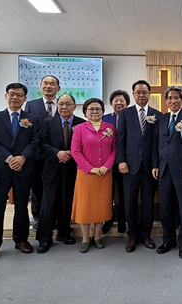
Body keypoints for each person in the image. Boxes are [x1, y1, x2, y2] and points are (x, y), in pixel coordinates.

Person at [0, 83, 39, 264]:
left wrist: (22, 158)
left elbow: (35, 141)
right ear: (6, 96)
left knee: (22, 206)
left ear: (24, 99)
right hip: (0, 169)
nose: (15, 98)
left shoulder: (32, 118)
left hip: (24, 168)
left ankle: (21, 239)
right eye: (12, 94)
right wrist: (9, 158)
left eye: (19, 95)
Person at [152, 86, 182, 259]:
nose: (173, 101)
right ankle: (168, 239)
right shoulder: (162, 119)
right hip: (163, 169)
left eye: (176, 98)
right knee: (165, 207)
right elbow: (157, 144)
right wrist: (155, 165)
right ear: (166, 101)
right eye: (169, 98)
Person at [35, 94, 85, 253]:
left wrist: (71, 153)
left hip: (72, 169)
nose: (64, 107)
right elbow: (42, 143)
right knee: (48, 204)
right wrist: (57, 153)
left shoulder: (81, 124)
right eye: (61, 104)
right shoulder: (48, 123)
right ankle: (44, 238)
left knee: (67, 202)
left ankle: (64, 232)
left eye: (68, 104)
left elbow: (84, 145)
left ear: (74, 106)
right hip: (53, 168)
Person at [116, 80, 161, 253]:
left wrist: (156, 164)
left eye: (144, 92)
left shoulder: (156, 114)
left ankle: (146, 234)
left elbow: (158, 143)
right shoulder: (125, 114)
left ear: (149, 94)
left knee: (148, 201)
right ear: (133, 94)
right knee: (130, 202)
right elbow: (120, 140)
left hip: (150, 166)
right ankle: (133, 235)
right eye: (138, 92)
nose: (141, 95)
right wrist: (121, 161)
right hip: (129, 165)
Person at [70, 98, 116, 253]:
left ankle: (97, 236)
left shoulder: (110, 128)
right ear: (85, 112)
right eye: (91, 109)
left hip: (104, 174)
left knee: (100, 205)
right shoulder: (80, 128)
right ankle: (84, 238)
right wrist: (90, 168)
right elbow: (76, 151)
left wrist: (106, 166)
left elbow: (114, 150)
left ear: (103, 111)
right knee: (85, 206)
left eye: (98, 109)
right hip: (86, 174)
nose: (95, 112)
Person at [24, 75, 61, 228]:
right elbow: (26, 129)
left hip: (58, 155)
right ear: (40, 87)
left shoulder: (64, 104)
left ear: (58, 88)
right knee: (37, 188)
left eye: (52, 84)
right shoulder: (31, 105)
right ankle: (39, 218)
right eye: (45, 83)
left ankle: (58, 217)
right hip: (37, 154)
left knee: (57, 187)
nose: (48, 86)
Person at [102, 89, 130, 235]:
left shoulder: (132, 118)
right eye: (116, 101)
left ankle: (122, 219)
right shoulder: (105, 119)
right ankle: (108, 217)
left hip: (126, 161)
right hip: (108, 162)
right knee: (109, 192)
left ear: (127, 103)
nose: (119, 103)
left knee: (124, 191)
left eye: (122, 101)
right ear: (111, 103)